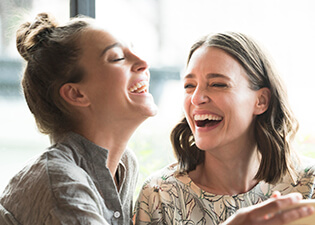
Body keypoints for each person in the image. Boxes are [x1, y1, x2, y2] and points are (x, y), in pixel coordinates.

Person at [133, 32, 315, 225]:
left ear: (261, 101)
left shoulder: (308, 184)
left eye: (217, 84)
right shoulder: (160, 195)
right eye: (189, 85)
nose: (196, 98)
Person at [0, 12, 157, 225]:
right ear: (76, 94)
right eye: (118, 57)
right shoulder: (60, 183)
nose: (143, 62)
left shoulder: (124, 166)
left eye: (133, 50)